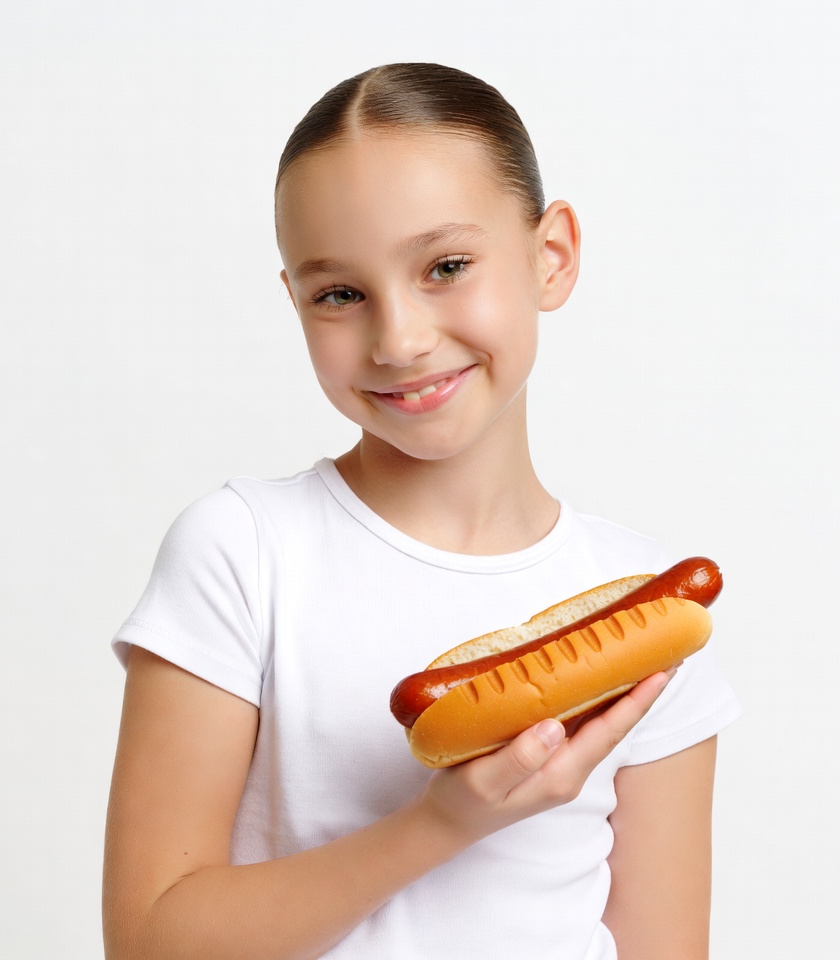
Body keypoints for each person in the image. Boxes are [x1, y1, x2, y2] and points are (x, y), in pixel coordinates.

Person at [103, 63, 741, 960]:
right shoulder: (242, 552)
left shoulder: (650, 611)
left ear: (550, 257)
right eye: (340, 293)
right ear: (294, 301)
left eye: (446, 266)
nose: (398, 339)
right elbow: (148, 941)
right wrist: (441, 824)